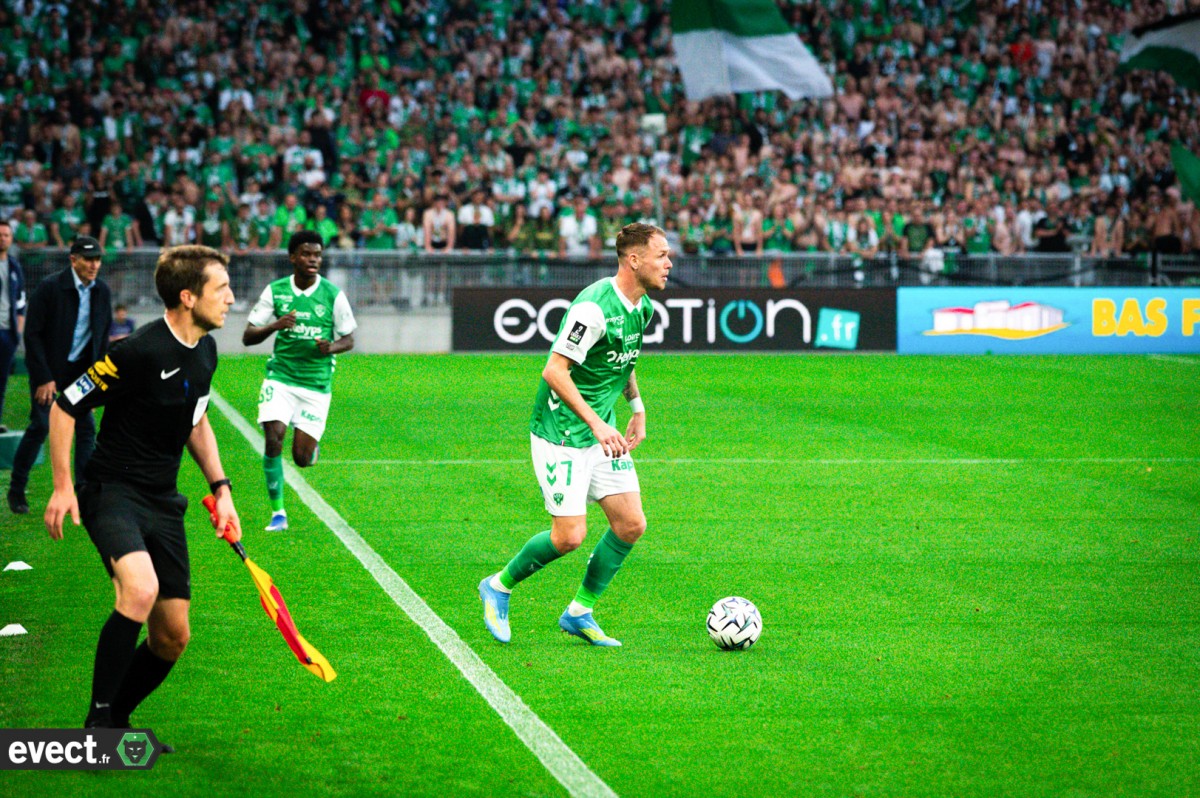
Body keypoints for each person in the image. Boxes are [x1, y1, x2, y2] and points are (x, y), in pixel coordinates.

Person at [44, 244, 242, 736]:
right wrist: (63, 487)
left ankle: (119, 717)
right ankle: (97, 726)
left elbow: (196, 421)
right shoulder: (135, 352)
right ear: (188, 297)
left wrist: (221, 489)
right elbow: (66, 406)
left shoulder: (207, 351)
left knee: (172, 636)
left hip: (162, 500)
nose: (231, 298)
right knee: (139, 589)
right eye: (221, 288)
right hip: (112, 492)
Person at [478, 223, 672, 647]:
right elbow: (554, 371)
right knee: (568, 537)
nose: (669, 264)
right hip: (562, 432)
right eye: (661, 255)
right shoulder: (592, 310)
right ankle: (498, 586)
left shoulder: (642, 307)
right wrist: (597, 424)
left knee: (630, 524)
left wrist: (637, 407)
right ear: (633, 260)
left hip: (601, 432)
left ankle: (579, 611)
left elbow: (622, 360)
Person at [242, 230, 356, 532]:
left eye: (317, 255)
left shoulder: (332, 295)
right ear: (293, 257)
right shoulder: (276, 291)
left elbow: (349, 339)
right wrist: (276, 325)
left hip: (315, 385)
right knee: (274, 438)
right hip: (280, 378)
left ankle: (309, 448)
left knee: (302, 459)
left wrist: (330, 347)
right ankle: (278, 514)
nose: (313, 260)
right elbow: (248, 336)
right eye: (306, 254)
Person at [8, 236, 112, 515]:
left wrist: (97, 379)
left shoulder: (102, 291)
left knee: (86, 428)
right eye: (89, 259)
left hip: (82, 374)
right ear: (73, 260)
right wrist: (43, 377)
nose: (94, 265)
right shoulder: (50, 287)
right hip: (49, 371)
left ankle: (83, 492)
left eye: (97, 259)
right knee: (41, 426)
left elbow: (102, 337)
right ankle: (16, 489)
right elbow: (32, 335)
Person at [0, 221, 27, 434]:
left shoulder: (14, 266)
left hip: (7, 333)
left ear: (11, 239)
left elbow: (20, 302)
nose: (2, 238)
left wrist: (17, 332)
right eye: (0, 235)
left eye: (6, 235)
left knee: (1, 381)